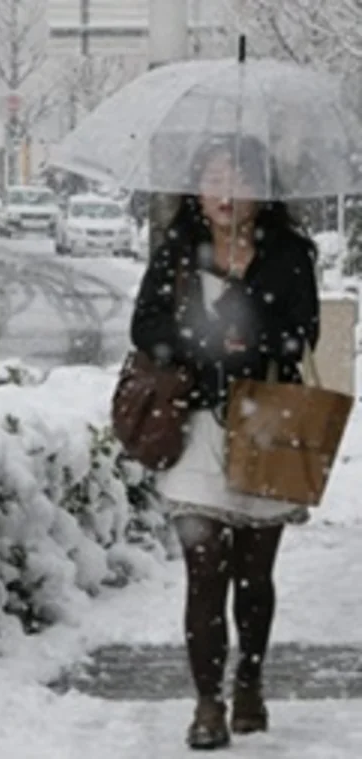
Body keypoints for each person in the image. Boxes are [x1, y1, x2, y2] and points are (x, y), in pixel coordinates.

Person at [129, 135, 320, 750]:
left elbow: (303, 334)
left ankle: (251, 684)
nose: (225, 191)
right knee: (205, 571)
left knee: (254, 575)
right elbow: (145, 325)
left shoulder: (289, 254)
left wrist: (255, 338)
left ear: (262, 193)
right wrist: (196, 342)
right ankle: (207, 703)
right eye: (213, 177)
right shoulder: (179, 250)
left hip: (266, 423)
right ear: (197, 189)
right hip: (198, 427)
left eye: (239, 179)